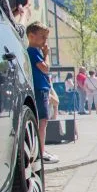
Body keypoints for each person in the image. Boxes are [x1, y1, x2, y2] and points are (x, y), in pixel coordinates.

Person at [25, 23, 58, 163]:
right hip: (39, 88)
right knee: (42, 121)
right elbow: (45, 68)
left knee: (43, 120)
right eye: (42, 37)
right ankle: (40, 152)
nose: (45, 40)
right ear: (31, 36)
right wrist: (46, 55)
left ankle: (40, 149)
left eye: (46, 37)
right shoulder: (33, 51)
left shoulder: (36, 51)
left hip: (42, 88)